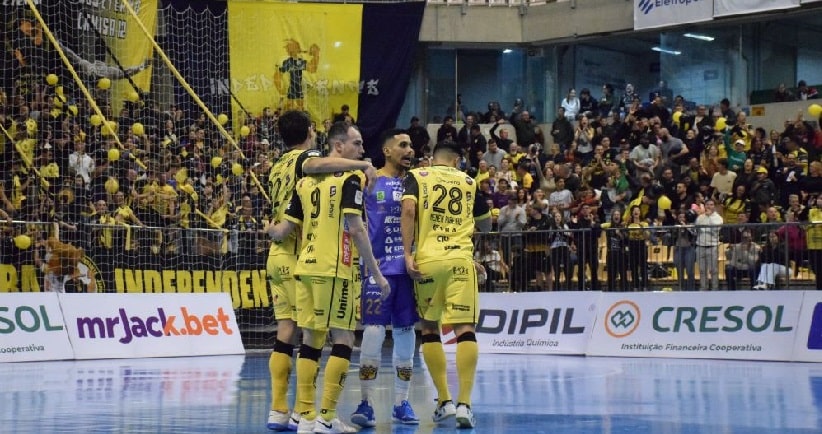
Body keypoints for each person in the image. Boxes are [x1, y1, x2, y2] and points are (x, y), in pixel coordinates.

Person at [264, 114, 380, 433]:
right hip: (308, 255)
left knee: (288, 332)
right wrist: (359, 166)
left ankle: (281, 410)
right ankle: (315, 415)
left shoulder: (276, 166)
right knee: (330, 335)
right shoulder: (311, 160)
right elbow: (317, 168)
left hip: (279, 254)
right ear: (312, 134)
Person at [400, 141, 490, 429]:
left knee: (429, 327)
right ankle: (465, 403)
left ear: (433, 158)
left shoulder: (417, 175)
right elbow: (485, 223)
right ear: (458, 160)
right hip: (460, 261)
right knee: (465, 329)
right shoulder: (469, 181)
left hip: (428, 260)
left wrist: (407, 253)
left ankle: (444, 401)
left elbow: (409, 211)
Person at [349, 130, 420, 428]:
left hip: (407, 271)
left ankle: (401, 403)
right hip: (376, 271)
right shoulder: (369, 178)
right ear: (387, 150)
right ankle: (365, 403)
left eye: (411, 146)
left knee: (406, 334)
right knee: (374, 333)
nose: (410, 150)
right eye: (402, 145)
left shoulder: (414, 182)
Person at [695, 199, 723, 291]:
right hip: (700, 246)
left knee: (713, 270)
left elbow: (714, 230)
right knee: (702, 270)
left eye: (711, 205)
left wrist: (709, 217)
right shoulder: (700, 217)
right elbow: (697, 229)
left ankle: (715, 288)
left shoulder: (718, 218)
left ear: (714, 206)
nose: (709, 207)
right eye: (707, 205)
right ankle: (704, 288)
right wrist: (703, 217)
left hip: (712, 247)